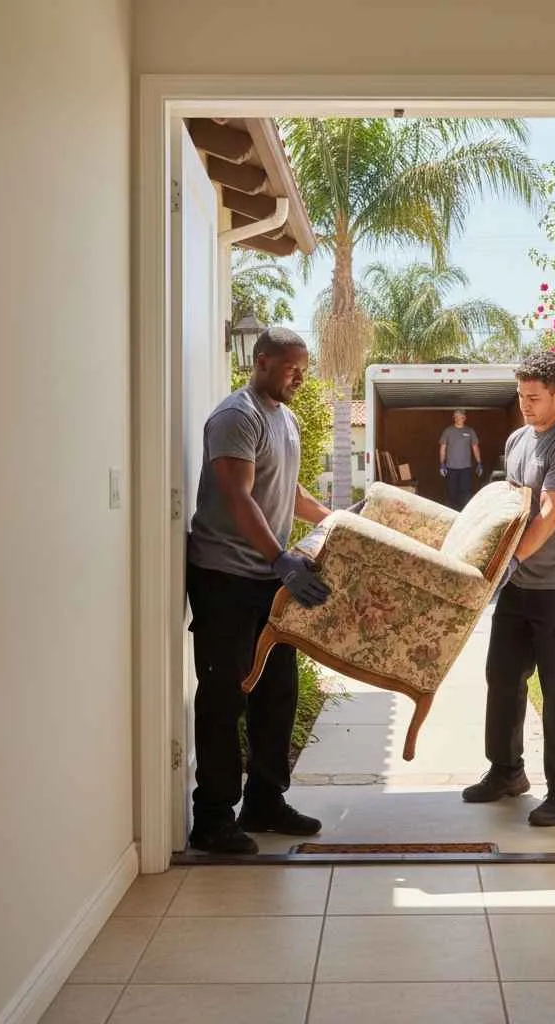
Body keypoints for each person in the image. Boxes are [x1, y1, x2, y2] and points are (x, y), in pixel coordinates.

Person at [185, 326, 333, 854]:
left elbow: (285, 489)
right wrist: (280, 558)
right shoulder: (236, 416)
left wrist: (333, 518)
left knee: (277, 693)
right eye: (292, 367)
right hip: (225, 577)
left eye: (303, 368)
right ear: (262, 360)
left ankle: (265, 801)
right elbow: (239, 495)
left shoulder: (284, 418)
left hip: (271, 578)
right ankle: (213, 817)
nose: (299, 376)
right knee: (225, 695)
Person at [462, 351, 555, 827]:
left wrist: (512, 561)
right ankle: (506, 771)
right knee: (502, 676)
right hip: (521, 585)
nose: (525, 405)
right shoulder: (519, 439)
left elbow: (549, 514)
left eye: (535, 398)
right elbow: (514, 508)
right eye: (520, 396)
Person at [438, 409, 483, 510]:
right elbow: (442, 448)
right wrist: (442, 464)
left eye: (460, 416)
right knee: (452, 492)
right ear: (454, 418)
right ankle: (452, 513)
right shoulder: (448, 431)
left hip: (466, 468)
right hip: (451, 468)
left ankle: (465, 513)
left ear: (464, 418)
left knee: (466, 492)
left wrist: (479, 463)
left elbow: (475, 448)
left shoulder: (470, 431)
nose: (458, 418)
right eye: (456, 417)